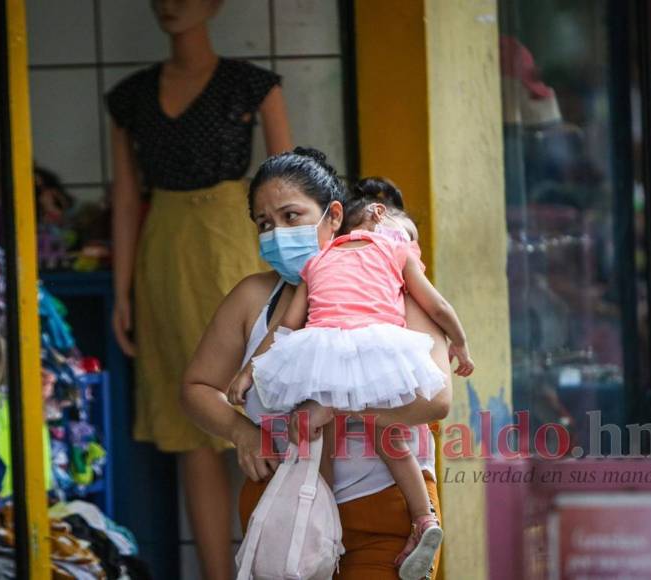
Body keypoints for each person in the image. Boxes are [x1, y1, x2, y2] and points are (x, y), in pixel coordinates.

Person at [181, 148, 453, 579]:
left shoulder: (393, 290)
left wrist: (333, 408)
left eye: (291, 217)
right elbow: (197, 387)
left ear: (333, 217)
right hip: (286, 512)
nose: (277, 234)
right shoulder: (252, 298)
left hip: (385, 512)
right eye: (264, 224)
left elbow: (435, 400)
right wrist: (241, 432)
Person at [105, 0, 291, 577]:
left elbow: (291, 184)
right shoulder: (131, 97)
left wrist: (305, 275)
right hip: (165, 253)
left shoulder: (252, 85)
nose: (171, 4)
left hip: (238, 244)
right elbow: (125, 198)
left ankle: (280, 565)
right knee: (191, 421)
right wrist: (122, 292)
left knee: (266, 406)